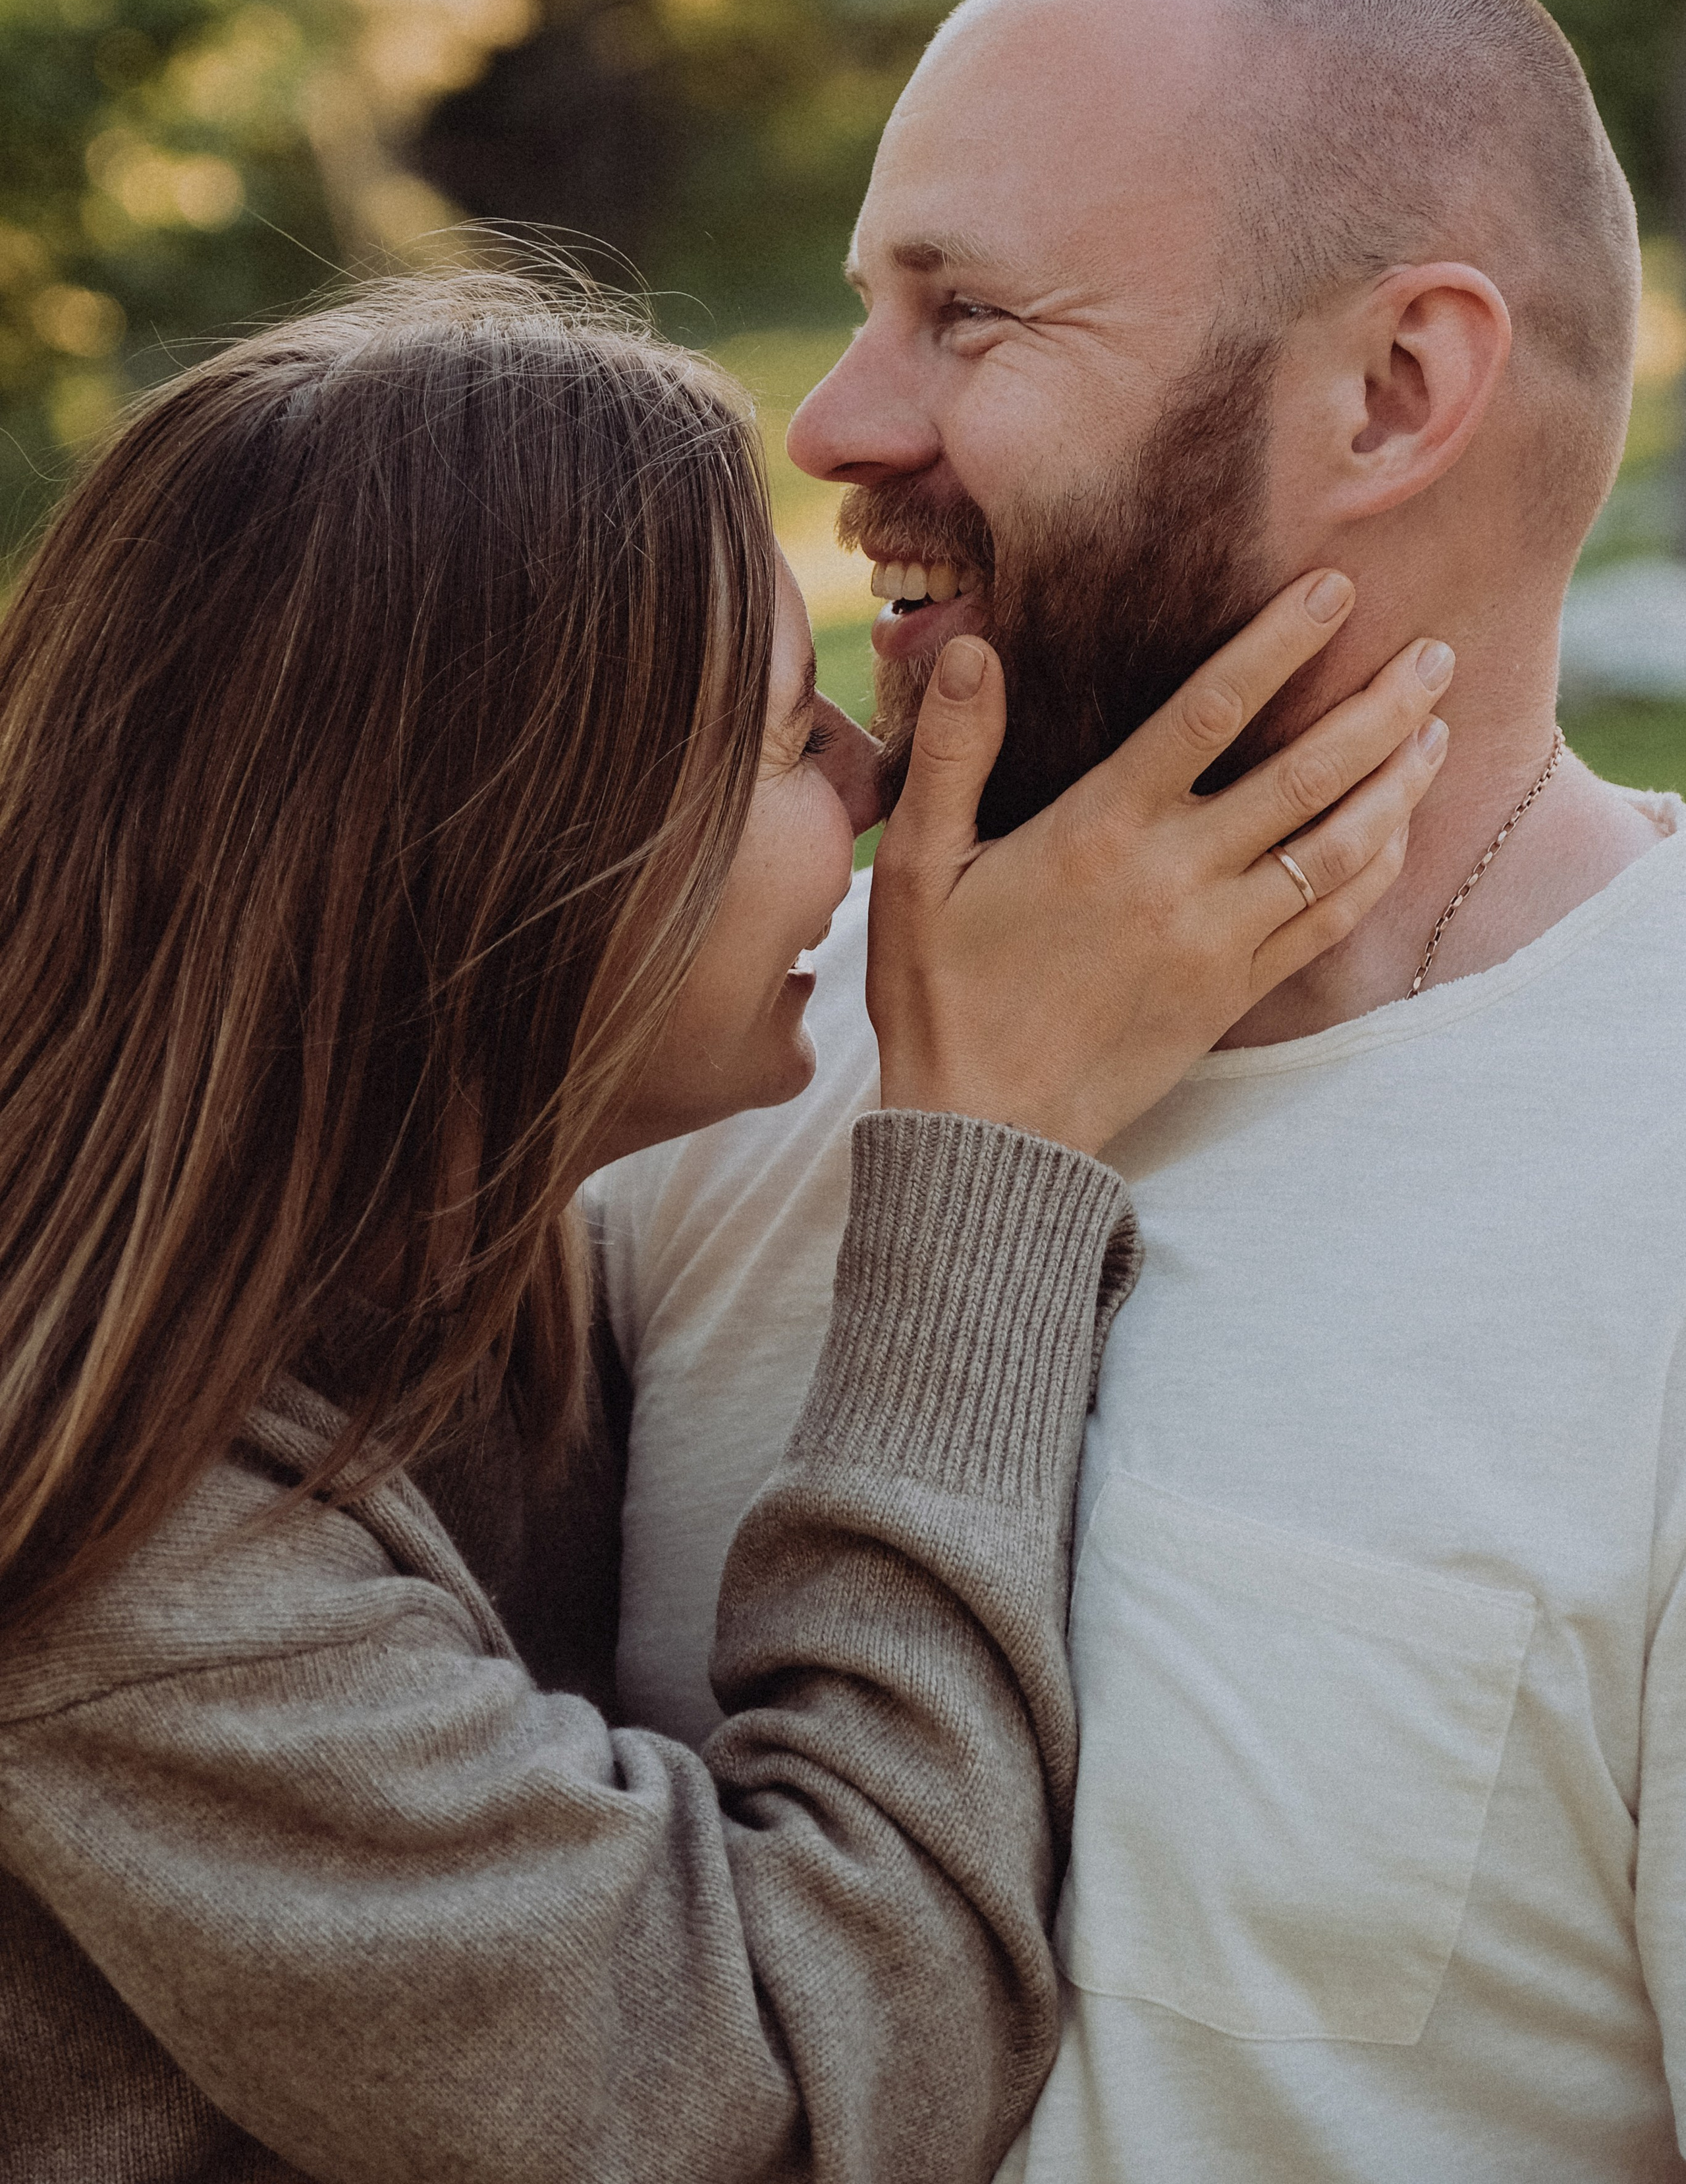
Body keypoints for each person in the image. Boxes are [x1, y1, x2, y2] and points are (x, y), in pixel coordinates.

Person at [0, 270, 1443, 2183]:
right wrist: (985, 1156)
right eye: (781, 737)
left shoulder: (458, 1262)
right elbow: (805, 2081)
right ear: (500, 862)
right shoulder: (113, 1547)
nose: (866, 784)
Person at [589, 0, 1686, 2182]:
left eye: (967, 316)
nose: (835, 421)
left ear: (1394, 390)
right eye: (873, 299)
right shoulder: (701, 1051)